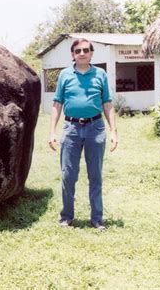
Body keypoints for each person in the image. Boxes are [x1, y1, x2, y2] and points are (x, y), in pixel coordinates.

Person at [49, 38, 118, 231]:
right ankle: (66, 216)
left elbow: (107, 104)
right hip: (70, 129)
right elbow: (57, 104)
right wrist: (52, 132)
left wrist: (113, 131)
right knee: (68, 175)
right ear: (72, 54)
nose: (82, 53)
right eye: (77, 50)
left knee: (95, 175)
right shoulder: (64, 75)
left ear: (91, 53)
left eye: (86, 50)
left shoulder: (100, 74)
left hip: (95, 128)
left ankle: (97, 218)